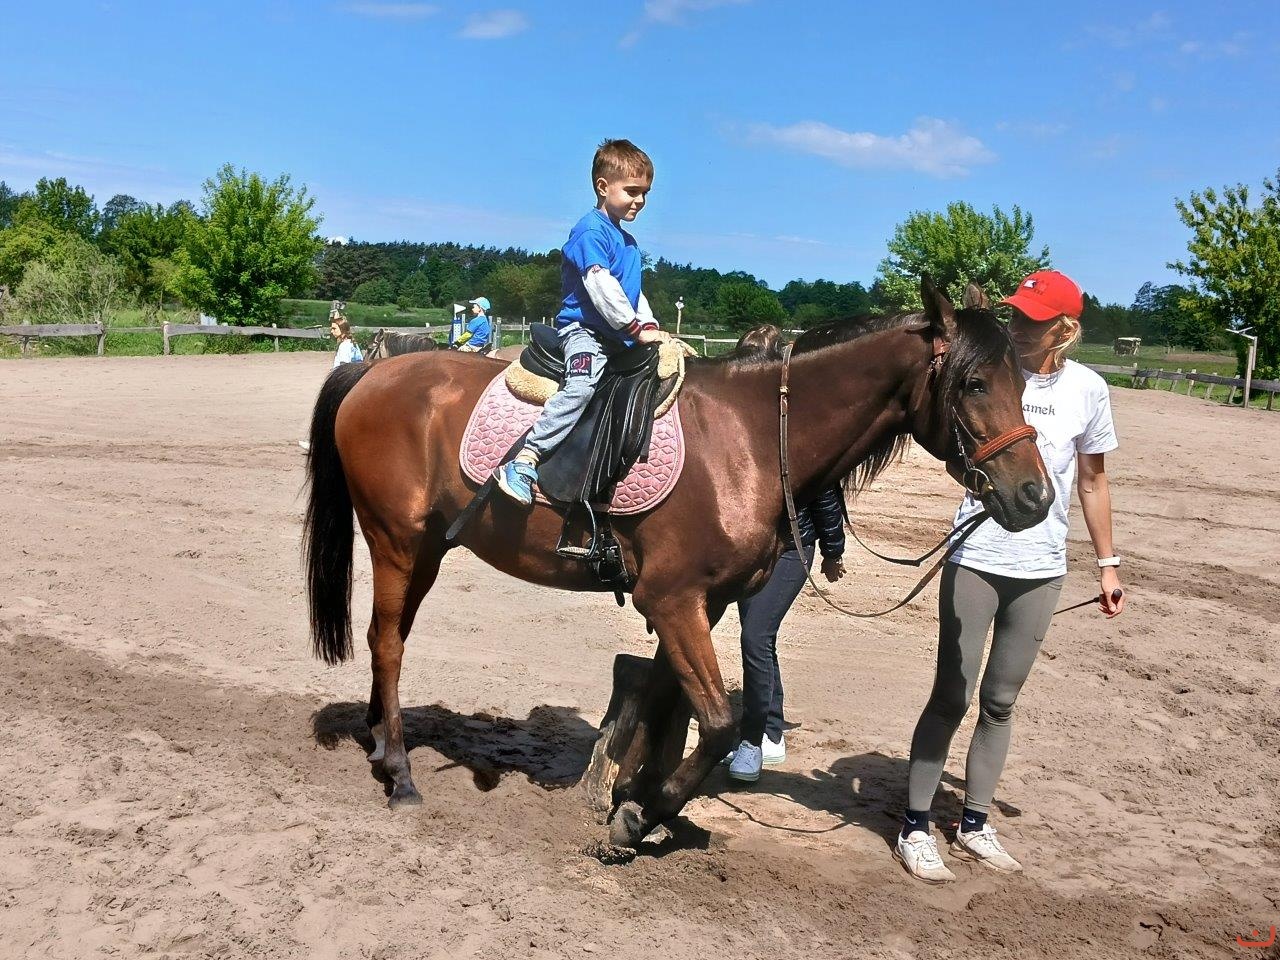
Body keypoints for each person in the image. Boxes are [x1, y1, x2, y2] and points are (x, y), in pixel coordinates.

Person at [894, 270, 1127, 883]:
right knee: (952, 695)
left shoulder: (1089, 390)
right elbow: (951, 445)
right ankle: (915, 827)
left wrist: (1107, 564)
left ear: (1064, 329)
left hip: (1043, 568)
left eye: (1033, 319)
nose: (1018, 325)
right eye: (1016, 314)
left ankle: (974, 823)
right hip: (978, 557)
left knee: (1000, 701)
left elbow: (1093, 481)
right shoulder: (991, 371)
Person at [497, 139, 669, 504]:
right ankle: (526, 458)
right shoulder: (591, 231)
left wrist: (649, 324)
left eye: (645, 193)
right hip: (585, 331)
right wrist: (634, 329)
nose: (640, 200)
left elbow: (632, 292)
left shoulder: (628, 242)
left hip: (617, 335)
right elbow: (600, 284)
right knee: (581, 385)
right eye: (632, 191)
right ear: (603, 187)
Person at [721, 324, 848, 782]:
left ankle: (753, 741)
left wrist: (833, 551)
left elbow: (826, 494)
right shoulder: (735, 420)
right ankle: (772, 730)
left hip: (793, 546)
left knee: (755, 637)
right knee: (761, 637)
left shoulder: (796, 427)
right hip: (752, 550)